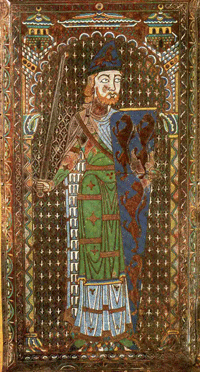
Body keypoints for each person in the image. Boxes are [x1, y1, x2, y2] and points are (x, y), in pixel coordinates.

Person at [37, 41, 153, 350]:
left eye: (116, 80)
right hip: (88, 197)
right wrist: (52, 183)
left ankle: (121, 330)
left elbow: (137, 161)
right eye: (105, 80)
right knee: (88, 262)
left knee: (117, 258)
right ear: (92, 84)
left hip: (115, 197)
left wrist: (143, 179)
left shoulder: (123, 122)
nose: (112, 87)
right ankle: (84, 330)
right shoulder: (82, 120)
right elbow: (71, 156)